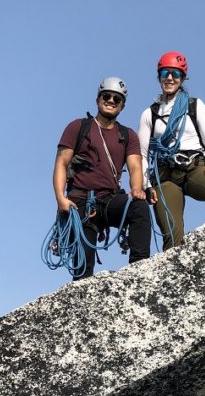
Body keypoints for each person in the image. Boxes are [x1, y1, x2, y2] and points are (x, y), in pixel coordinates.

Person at [52, 77, 152, 280]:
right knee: (83, 270)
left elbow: (135, 166)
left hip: (110, 200)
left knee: (138, 208)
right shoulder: (78, 127)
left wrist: (137, 188)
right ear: (98, 99)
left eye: (117, 99)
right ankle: (80, 300)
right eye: (107, 96)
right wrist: (60, 199)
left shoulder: (127, 135)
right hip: (80, 201)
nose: (111, 100)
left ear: (122, 106)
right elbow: (61, 164)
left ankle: (139, 272)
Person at [138, 51, 205, 249]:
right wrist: (146, 185)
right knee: (171, 233)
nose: (170, 78)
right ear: (159, 77)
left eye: (175, 74)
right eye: (165, 74)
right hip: (165, 173)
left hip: (194, 166)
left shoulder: (194, 105)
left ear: (183, 77)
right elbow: (142, 154)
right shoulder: (149, 114)